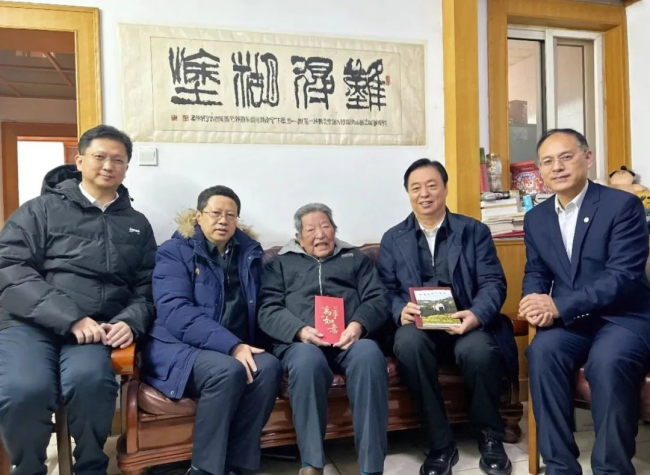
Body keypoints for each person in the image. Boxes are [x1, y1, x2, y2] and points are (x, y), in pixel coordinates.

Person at [0, 125, 157, 475]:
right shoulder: (39, 210)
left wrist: (130, 321)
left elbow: (147, 287)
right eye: (100, 156)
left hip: (95, 328)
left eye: (118, 160)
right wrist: (70, 318)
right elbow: (10, 268)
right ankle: (28, 469)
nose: (108, 166)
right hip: (28, 324)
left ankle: (91, 467)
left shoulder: (137, 224)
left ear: (126, 168)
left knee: (92, 384)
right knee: (25, 390)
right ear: (80, 160)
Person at [521, 128, 650, 475]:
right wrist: (533, 299)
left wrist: (559, 306)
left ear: (587, 158)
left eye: (566, 157)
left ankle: (611, 469)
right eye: (548, 161)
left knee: (607, 361)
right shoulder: (536, 217)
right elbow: (536, 271)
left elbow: (622, 276)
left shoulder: (622, 205)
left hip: (623, 317)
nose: (557, 167)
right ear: (540, 170)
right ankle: (560, 466)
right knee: (542, 352)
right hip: (574, 321)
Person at [378, 159, 517, 475]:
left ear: (445, 188)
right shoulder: (393, 238)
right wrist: (399, 309)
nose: (424, 194)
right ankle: (440, 443)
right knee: (408, 344)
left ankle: (490, 435)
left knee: (479, 351)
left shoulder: (474, 231)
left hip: (464, 322)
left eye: (431, 185)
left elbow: (493, 282)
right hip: (418, 327)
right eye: (416, 188)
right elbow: (384, 289)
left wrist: (477, 315)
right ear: (408, 193)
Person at [142, 185, 282, 475]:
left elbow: (262, 304)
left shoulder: (249, 253)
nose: (223, 220)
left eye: (231, 215)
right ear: (198, 216)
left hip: (232, 345)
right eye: (215, 213)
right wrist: (233, 346)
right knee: (226, 371)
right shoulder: (174, 251)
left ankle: (239, 465)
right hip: (180, 348)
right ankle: (204, 469)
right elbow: (176, 311)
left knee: (268, 367)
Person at [258, 203, 389, 475]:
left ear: (334, 229)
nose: (320, 234)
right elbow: (268, 309)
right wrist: (300, 331)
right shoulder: (279, 264)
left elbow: (378, 299)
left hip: (349, 340)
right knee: (307, 362)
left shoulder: (356, 259)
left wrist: (357, 325)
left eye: (326, 226)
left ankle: (372, 467)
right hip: (301, 343)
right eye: (311, 229)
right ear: (298, 237)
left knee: (369, 355)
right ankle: (312, 463)